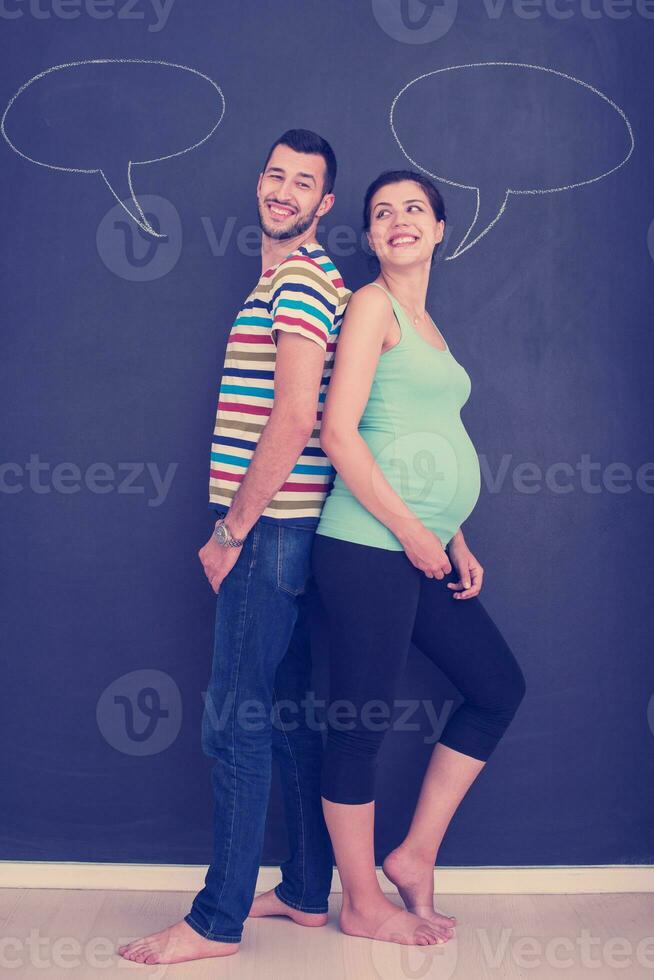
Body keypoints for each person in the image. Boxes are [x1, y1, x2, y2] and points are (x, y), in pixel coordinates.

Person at [118, 129, 352, 965]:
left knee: (235, 725)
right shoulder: (299, 281)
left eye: (304, 183)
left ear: (325, 204)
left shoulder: (299, 281)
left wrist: (231, 530)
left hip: (265, 534)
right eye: (276, 176)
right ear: (261, 183)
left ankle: (216, 920)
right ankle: (301, 890)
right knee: (282, 713)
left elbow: (296, 418)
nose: (284, 191)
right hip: (281, 532)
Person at [311, 169, 527, 947]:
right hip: (367, 545)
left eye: (414, 209)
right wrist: (413, 532)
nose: (398, 220)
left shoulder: (428, 323)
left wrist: (456, 537)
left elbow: (420, 437)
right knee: (360, 721)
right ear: (370, 238)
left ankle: (414, 856)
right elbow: (340, 434)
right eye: (382, 213)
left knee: (497, 687)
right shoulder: (370, 307)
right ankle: (362, 903)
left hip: (421, 546)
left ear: (440, 229)